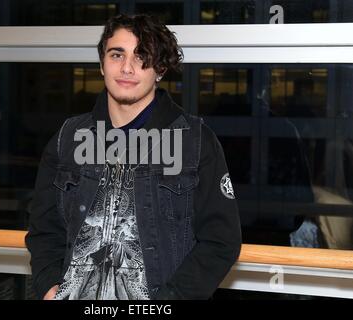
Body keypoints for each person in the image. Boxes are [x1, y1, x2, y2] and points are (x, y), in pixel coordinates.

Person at [25, 13, 242, 300]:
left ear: (160, 69)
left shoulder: (195, 140)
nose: (127, 67)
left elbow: (221, 241)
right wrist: (50, 286)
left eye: (142, 57)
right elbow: (44, 228)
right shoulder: (69, 137)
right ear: (102, 64)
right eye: (117, 55)